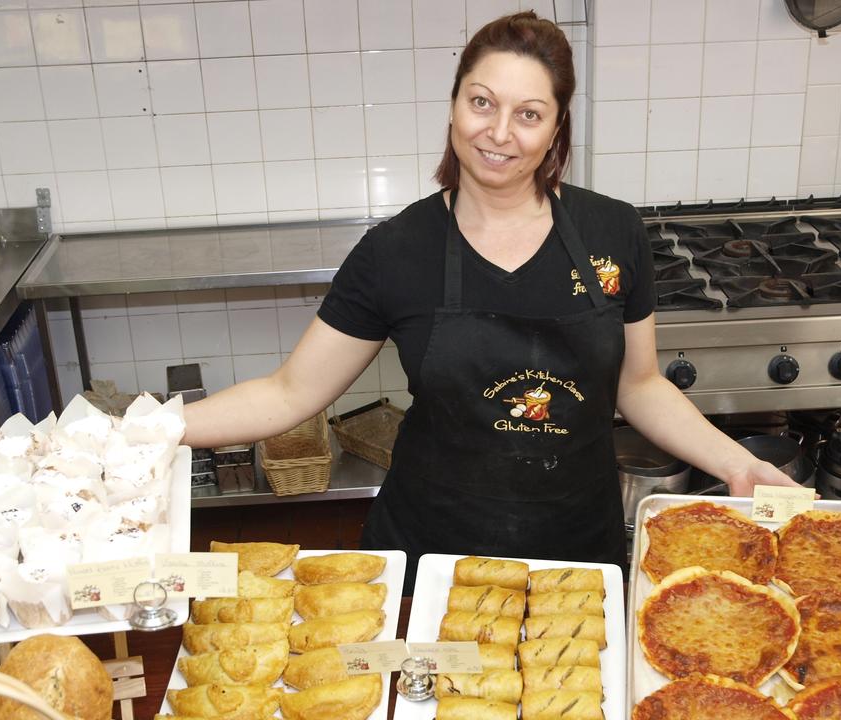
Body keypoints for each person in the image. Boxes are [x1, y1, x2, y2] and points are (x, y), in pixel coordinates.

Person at [184, 11, 796, 578]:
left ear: (557, 126)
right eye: (482, 102)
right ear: (453, 106)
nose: (499, 133)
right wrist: (156, 429)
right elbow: (291, 391)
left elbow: (638, 386)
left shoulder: (614, 232)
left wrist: (738, 464)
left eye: (529, 114)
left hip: (575, 548)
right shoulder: (396, 250)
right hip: (433, 548)